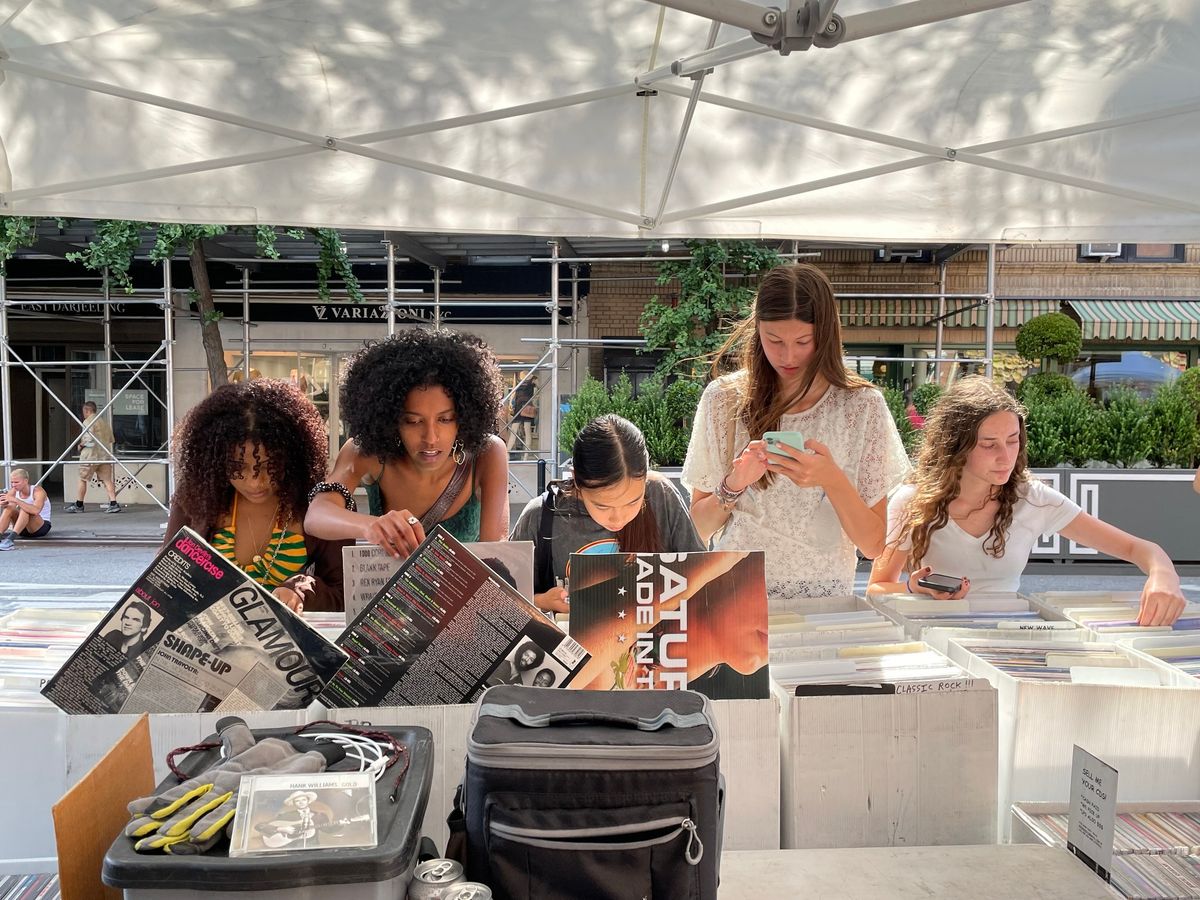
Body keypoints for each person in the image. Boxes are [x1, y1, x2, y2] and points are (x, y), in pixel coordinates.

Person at [867, 377, 1187, 626]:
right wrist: (913, 589)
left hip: (1008, 636)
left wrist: (1164, 576)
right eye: (989, 444)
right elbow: (877, 587)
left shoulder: (1032, 498)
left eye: (1013, 440)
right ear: (956, 447)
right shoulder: (912, 501)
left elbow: (1139, 549)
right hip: (928, 636)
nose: (1006, 456)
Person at [682, 263, 909, 608]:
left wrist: (832, 479)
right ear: (757, 331)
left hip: (825, 603)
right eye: (774, 340)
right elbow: (696, 530)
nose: (788, 356)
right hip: (734, 599)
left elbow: (874, 546)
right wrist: (734, 484)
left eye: (803, 341)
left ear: (827, 334)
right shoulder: (723, 399)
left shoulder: (861, 406)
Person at [305, 329, 509, 559]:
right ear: (390, 419)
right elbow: (316, 515)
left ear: (464, 416)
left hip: (463, 594)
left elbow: (495, 555)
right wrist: (370, 526)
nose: (430, 437)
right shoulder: (367, 452)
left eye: (445, 419)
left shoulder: (488, 453)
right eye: (412, 421)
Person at [165, 379, 349, 612]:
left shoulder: (322, 504)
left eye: (269, 466)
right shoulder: (194, 501)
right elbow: (165, 581)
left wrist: (300, 589)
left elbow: (344, 594)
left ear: (293, 457)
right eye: (237, 468)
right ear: (214, 461)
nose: (255, 482)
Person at [511, 414, 705, 613]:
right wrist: (541, 601)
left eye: (633, 502)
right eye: (603, 507)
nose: (618, 518)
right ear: (576, 479)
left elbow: (704, 580)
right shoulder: (540, 516)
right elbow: (502, 599)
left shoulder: (660, 496)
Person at [68, 401, 120, 513]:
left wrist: (81, 445)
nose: (83, 414)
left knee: (82, 479)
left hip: (90, 456)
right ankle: (113, 503)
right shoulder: (104, 422)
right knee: (107, 480)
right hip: (104, 455)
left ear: (87, 410)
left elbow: (88, 439)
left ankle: (79, 504)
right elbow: (111, 439)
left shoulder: (88, 421)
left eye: (84, 412)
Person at [0, 468, 52, 550]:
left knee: (25, 509)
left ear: (25, 481)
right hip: (21, 528)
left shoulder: (38, 491)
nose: (13, 485)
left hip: (40, 527)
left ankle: (10, 540)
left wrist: (16, 500)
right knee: (9, 508)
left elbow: (35, 511)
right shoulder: (13, 491)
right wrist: (4, 504)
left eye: (16, 482)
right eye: (12, 482)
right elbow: (10, 508)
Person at [506, 373, 538, 453]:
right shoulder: (516, 376)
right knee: (514, 430)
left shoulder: (533, 378)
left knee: (527, 430)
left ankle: (526, 456)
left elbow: (539, 388)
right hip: (518, 406)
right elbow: (513, 391)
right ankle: (507, 453)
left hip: (527, 407)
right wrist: (511, 402)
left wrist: (534, 401)